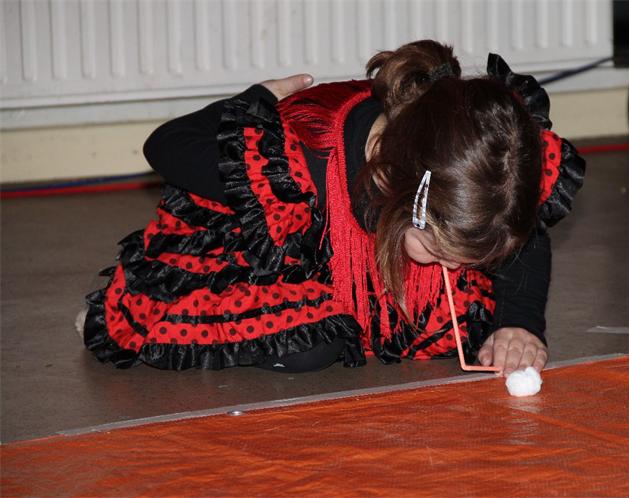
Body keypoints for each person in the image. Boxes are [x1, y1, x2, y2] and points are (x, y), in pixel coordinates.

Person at [82, 40, 584, 375]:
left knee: (469, 320)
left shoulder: (487, 172)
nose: (456, 270)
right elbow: (165, 144)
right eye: (440, 250)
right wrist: (249, 102)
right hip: (286, 250)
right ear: (396, 189)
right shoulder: (294, 164)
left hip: (386, 230)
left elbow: (524, 237)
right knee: (308, 344)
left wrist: (520, 322)